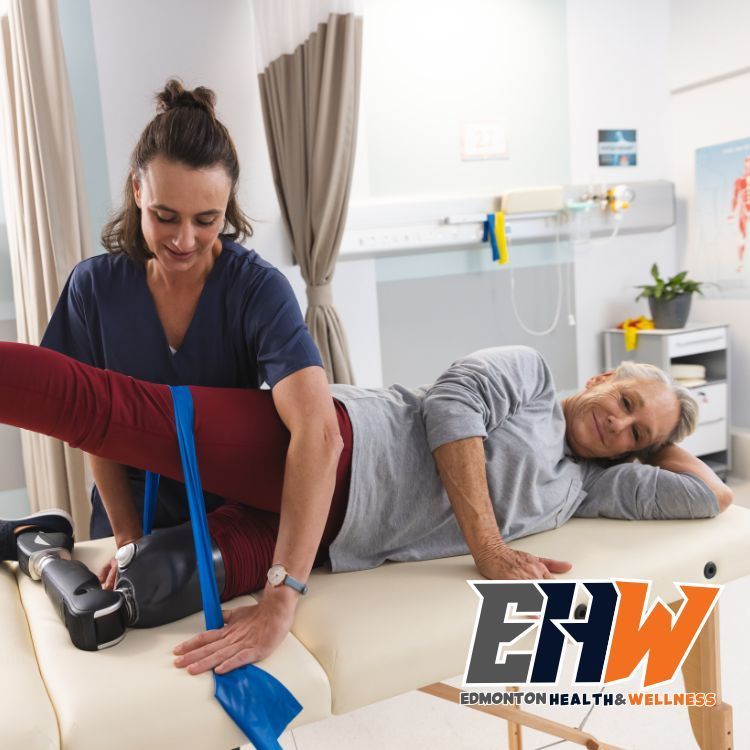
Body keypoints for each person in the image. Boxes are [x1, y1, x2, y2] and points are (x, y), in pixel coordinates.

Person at [0, 342, 732, 673]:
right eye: (626, 403)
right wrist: (489, 548)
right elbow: (451, 404)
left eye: (638, 433)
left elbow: (710, 497)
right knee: (114, 411)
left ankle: (39, 548)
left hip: (323, 543)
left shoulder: (592, 485)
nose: (619, 424)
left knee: (143, 595)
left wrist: (659, 442)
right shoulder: (532, 379)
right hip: (331, 449)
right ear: (604, 376)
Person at [38, 80, 344, 665]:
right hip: (125, 513)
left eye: (207, 219)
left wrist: (281, 600)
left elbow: (320, 434)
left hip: (226, 528)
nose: (185, 240)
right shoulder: (94, 288)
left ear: (228, 208)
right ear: (136, 190)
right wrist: (129, 538)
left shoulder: (258, 291)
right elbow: (88, 423)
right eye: (164, 216)